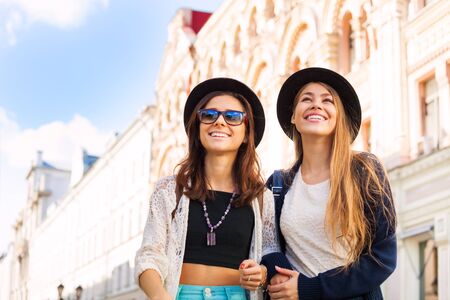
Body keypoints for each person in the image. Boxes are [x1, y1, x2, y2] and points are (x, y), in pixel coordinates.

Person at [240, 67, 397, 300]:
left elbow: (383, 258)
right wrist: (280, 274)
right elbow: (268, 246)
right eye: (306, 99)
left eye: (327, 100)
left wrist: (308, 288)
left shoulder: (365, 171)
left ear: (338, 115)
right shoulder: (277, 184)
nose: (316, 105)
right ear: (293, 116)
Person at [134, 78, 278, 300]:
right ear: (197, 128)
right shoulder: (169, 190)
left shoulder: (261, 197)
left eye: (232, 117)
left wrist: (262, 273)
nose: (220, 122)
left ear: (246, 133)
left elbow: (271, 254)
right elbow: (149, 255)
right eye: (209, 115)